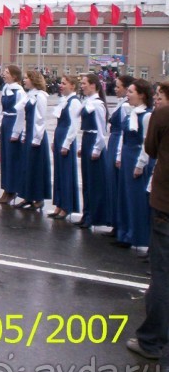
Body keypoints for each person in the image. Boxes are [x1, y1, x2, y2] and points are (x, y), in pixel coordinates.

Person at [127, 79, 169, 360]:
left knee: (163, 274)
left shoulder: (163, 115)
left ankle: (151, 340)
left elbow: (151, 149)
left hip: (166, 203)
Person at [116, 80, 154, 251]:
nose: (127, 94)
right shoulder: (130, 112)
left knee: (135, 198)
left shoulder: (146, 115)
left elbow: (147, 143)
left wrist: (140, 165)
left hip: (136, 156)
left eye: (131, 92)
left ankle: (137, 235)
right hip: (126, 154)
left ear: (142, 95)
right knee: (124, 196)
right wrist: (119, 155)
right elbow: (123, 137)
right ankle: (125, 233)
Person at [15, 70, 51, 210]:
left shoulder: (40, 96)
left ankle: (38, 197)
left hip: (37, 135)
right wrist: (24, 134)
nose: (24, 80)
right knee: (27, 166)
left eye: (26, 78)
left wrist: (36, 138)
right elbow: (25, 116)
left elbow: (41, 118)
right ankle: (27, 196)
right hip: (29, 132)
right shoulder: (29, 95)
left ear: (34, 80)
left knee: (36, 167)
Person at [77, 73, 109, 228]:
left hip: (94, 141)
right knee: (87, 181)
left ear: (93, 85)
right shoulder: (88, 102)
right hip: (87, 139)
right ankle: (86, 213)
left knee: (94, 182)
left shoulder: (97, 104)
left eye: (84, 83)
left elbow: (102, 130)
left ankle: (93, 216)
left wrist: (97, 149)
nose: (82, 86)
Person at [48, 76, 82, 219]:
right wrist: (55, 140)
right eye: (61, 83)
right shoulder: (64, 101)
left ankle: (66, 206)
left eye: (64, 83)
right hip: (60, 136)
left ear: (73, 86)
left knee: (67, 173)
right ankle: (59, 204)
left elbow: (74, 126)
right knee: (59, 173)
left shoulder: (74, 102)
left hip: (66, 139)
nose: (61, 86)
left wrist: (66, 144)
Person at [105, 75, 135, 238]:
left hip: (118, 141)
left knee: (118, 184)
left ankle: (121, 226)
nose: (115, 89)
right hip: (114, 140)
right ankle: (116, 224)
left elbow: (125, 130)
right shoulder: (121, 103)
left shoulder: (126, 107)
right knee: (113, 183)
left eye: (118, 87)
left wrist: (118, 154)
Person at [0, 66, 26, 204]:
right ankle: (6, 188)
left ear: (14, 76)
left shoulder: (20, 92)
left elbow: (21, 113)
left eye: (7, 73)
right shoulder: (6, 89)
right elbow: (2, 110)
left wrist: (17, 132)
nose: (4, 75)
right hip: (6, 122)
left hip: (14, 123)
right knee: (5, 158)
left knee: (13, 158)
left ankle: (12, 189)